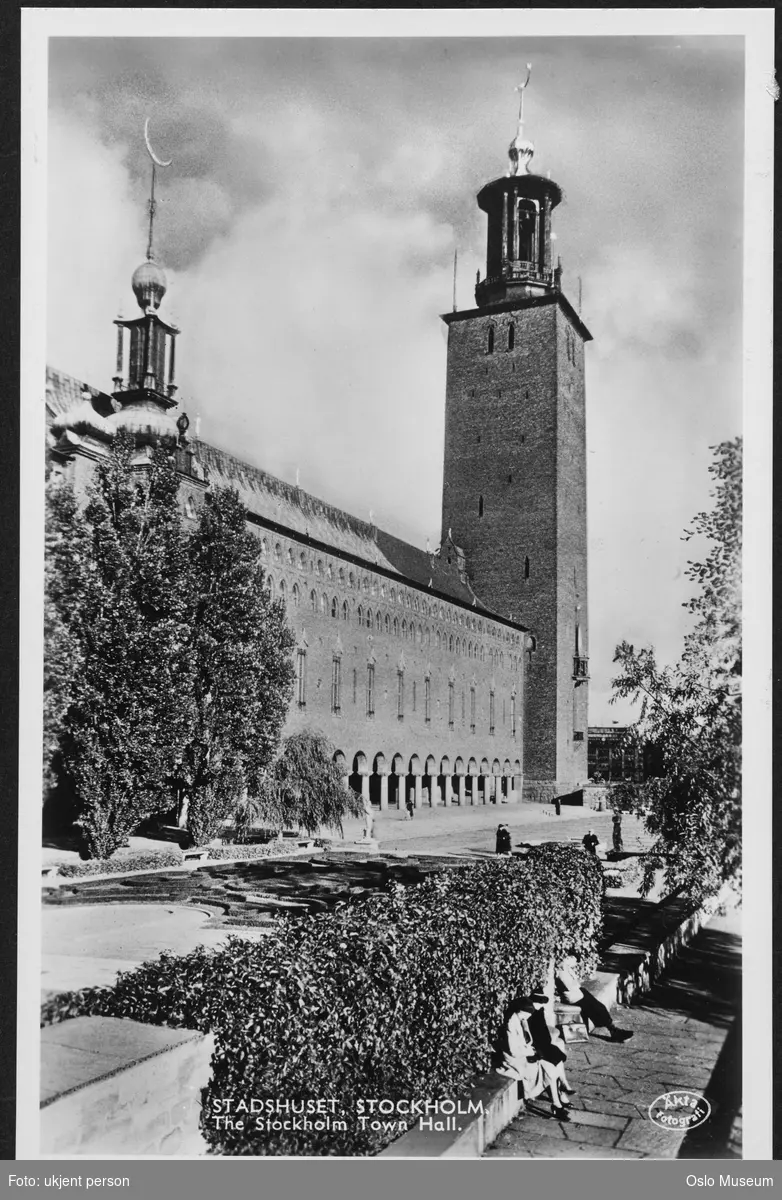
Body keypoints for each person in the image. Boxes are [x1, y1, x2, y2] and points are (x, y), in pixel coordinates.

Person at [496, 994, 572, 1121]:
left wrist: (530, 1049)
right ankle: (557, 1105)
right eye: (527, 1014)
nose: (529, 1017)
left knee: (550, 1069)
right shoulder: (510, 1024)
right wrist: (530, 1052)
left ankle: (557, 1105)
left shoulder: (518, 1020)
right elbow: (513, 1050)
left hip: (523, 1055)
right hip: (515, 1060)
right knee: (546, 1069)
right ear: (521, 1011)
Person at [555, 950, 633, 1043]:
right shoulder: (562, 970)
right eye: (573, 959)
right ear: (567, 958)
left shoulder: (566, 967)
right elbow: (569, 986)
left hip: (578, 992)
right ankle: (614, 1030)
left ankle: (613, 1030)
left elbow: (575, 983)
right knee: (597, 1008)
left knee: (599, 1007)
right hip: (573, 996)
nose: (575, 963)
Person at [525, 991, 576, 1120]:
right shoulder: (527, 1015)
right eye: (537, 1003)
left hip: (542, 1046)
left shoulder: (538, 1012)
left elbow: (543, 1032)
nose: (539, 1006)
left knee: (557, 1057)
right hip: (534, 1049)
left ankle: (562, 1090)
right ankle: (559, 1097)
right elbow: (528, 1038)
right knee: (551, 1064)